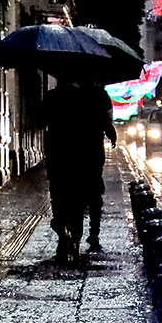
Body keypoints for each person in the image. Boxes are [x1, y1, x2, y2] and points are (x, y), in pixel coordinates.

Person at [44, 77, 117, 262]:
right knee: (86, 194)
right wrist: (109, 131)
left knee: (62, 195)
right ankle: (75, 234)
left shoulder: (54, 96)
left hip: (60, 154)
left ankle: (65, 232)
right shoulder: (97, 95)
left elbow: (40, 119)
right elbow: (106, 120)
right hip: (86, 155)